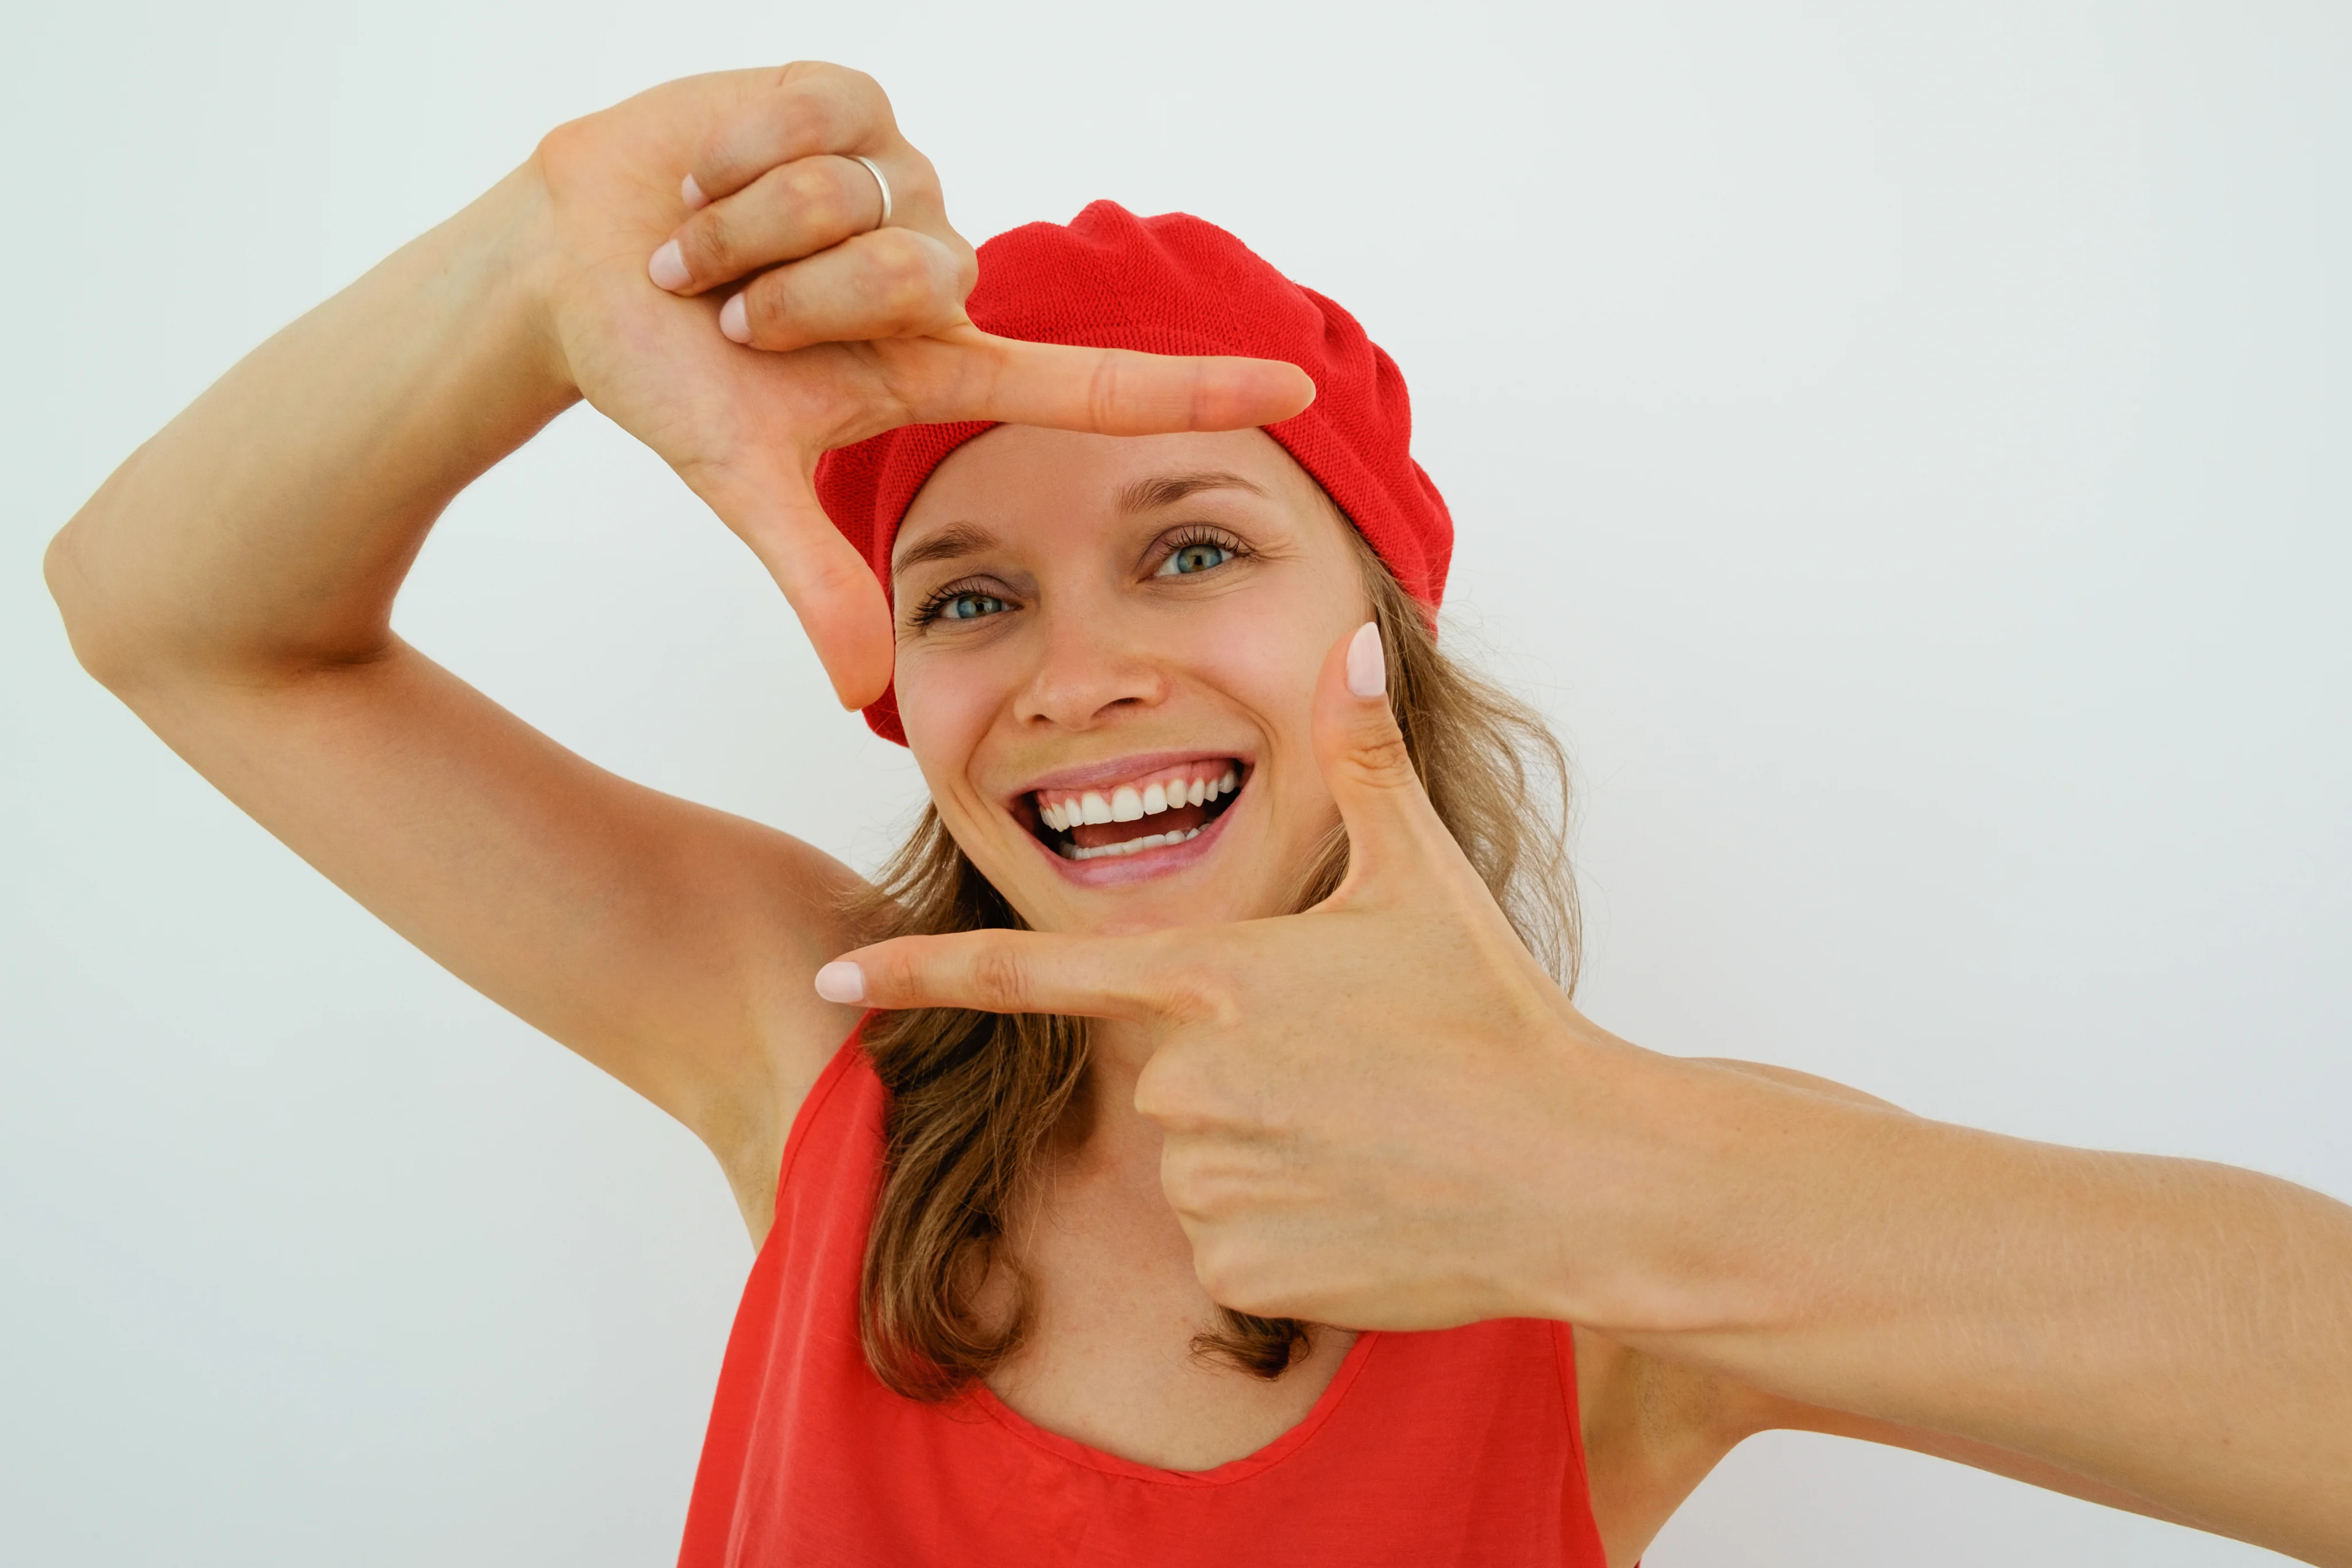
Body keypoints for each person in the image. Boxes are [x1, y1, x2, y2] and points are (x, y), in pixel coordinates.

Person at [41, 63, 2352, 1568]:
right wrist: (532, 274)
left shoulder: (1630, 1236)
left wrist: (1622, 1185)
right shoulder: (804, 1041)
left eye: (1193, 547)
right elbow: (173, 616)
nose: (1077, 672)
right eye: (966, 589)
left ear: (1386, 630)